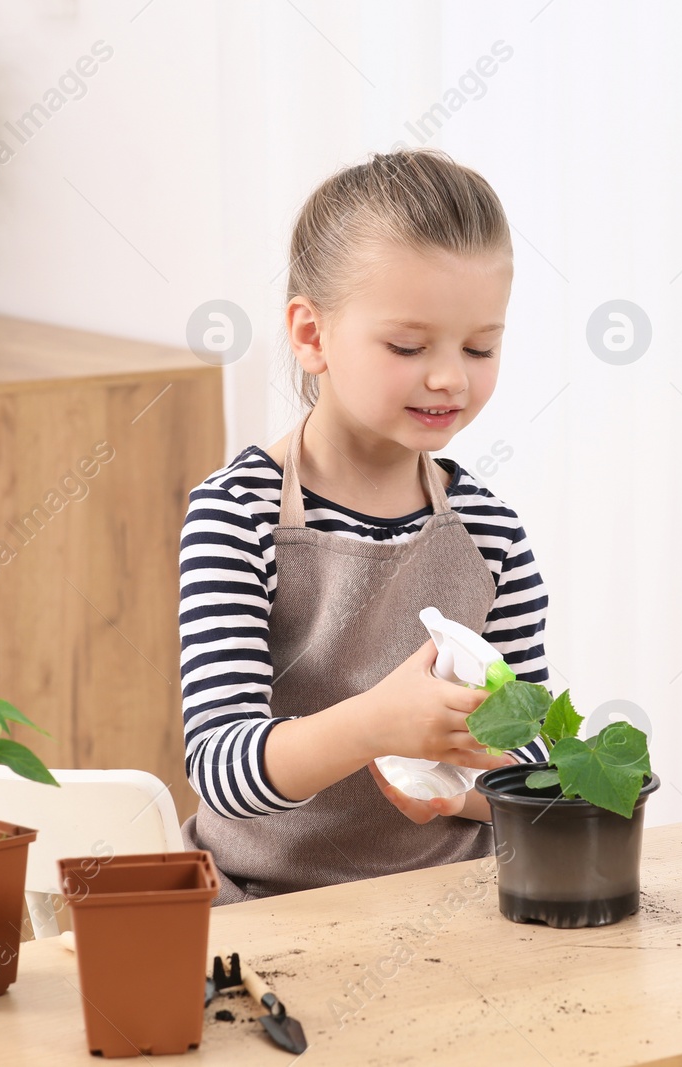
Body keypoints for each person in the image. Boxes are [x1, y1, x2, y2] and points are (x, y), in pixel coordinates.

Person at [177, 148, 551, 905]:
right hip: (263, 904)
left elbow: (535, 767)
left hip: (451, 902)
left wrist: (460, 793)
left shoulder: (491, 531)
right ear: (311, 335)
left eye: (480, 346)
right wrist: (376, 724)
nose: (450, 376)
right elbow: (220, 765)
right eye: (409, 347)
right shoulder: (235, 515)